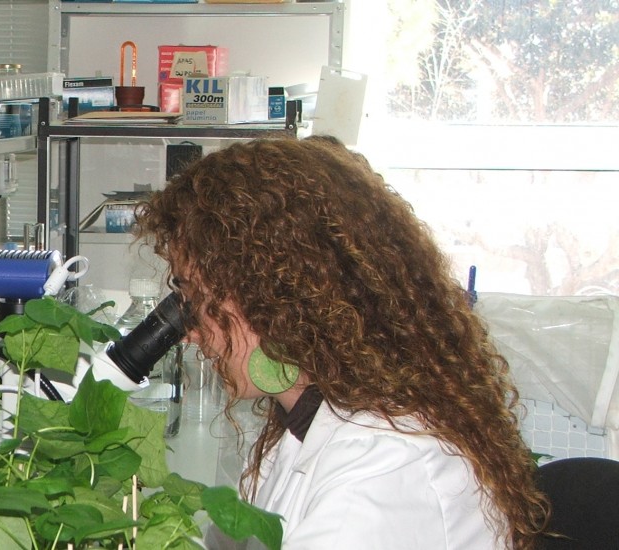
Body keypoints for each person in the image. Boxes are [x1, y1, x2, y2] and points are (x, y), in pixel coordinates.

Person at [135, 136, 548, 549]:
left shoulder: (382, 473)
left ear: (274, 295)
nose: (188, 330)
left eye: (197, 297)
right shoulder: (308, 423)